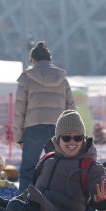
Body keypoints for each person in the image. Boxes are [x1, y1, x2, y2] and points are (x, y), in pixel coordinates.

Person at [13, 41, 75, 192]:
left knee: (28, 169)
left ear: (33, 60)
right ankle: (57, 201)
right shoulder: (62, 78)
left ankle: (23, 203)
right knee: (58, 168)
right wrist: (73, 134)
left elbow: (19, 109)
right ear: (49, 60)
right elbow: (71, 108)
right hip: (59, 129)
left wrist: (18, 137)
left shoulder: (26, 78)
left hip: (34, 127)